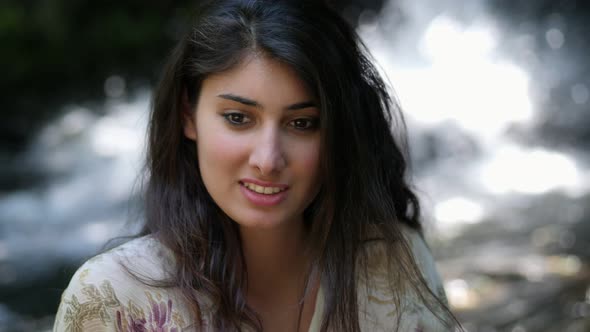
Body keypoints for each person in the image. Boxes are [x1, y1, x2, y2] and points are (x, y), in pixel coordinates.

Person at [53, 0, 460, 331]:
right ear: (188, 116)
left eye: (302, 123)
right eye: (238, 118)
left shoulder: (391, 262)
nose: (267, 160)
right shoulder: (113, 297)